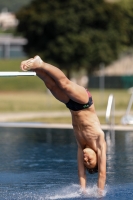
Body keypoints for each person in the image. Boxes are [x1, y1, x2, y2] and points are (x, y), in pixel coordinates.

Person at [20, 55, 106, 196]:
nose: (85, 159)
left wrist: (83, 191)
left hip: (71, 106)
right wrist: (100, 196)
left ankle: (33, 66)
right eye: (90, 161)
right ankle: (41, 63)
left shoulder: (81, 146)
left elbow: (81, 172)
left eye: (85, 161)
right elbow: (102, 174)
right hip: (85, 102)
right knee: (64, 84)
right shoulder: (99, 142)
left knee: (51, 86)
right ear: (97, 157)